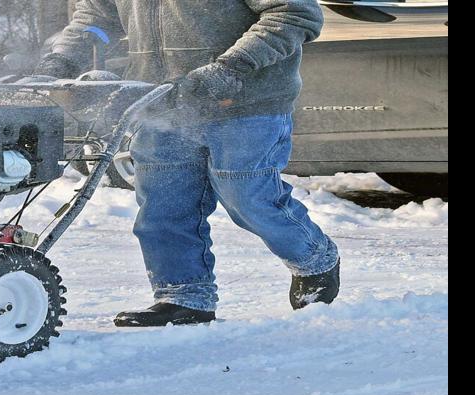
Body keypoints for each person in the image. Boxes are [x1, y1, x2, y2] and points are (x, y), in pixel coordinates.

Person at [37, 1, 341, 327]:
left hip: (246, 98)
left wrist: (232, 66)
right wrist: (61, 60)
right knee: (164, 203)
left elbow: (294, 13)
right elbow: (96, 16)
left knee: (247, 196)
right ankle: (184, 296)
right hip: (161, 101)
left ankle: (313, 258)